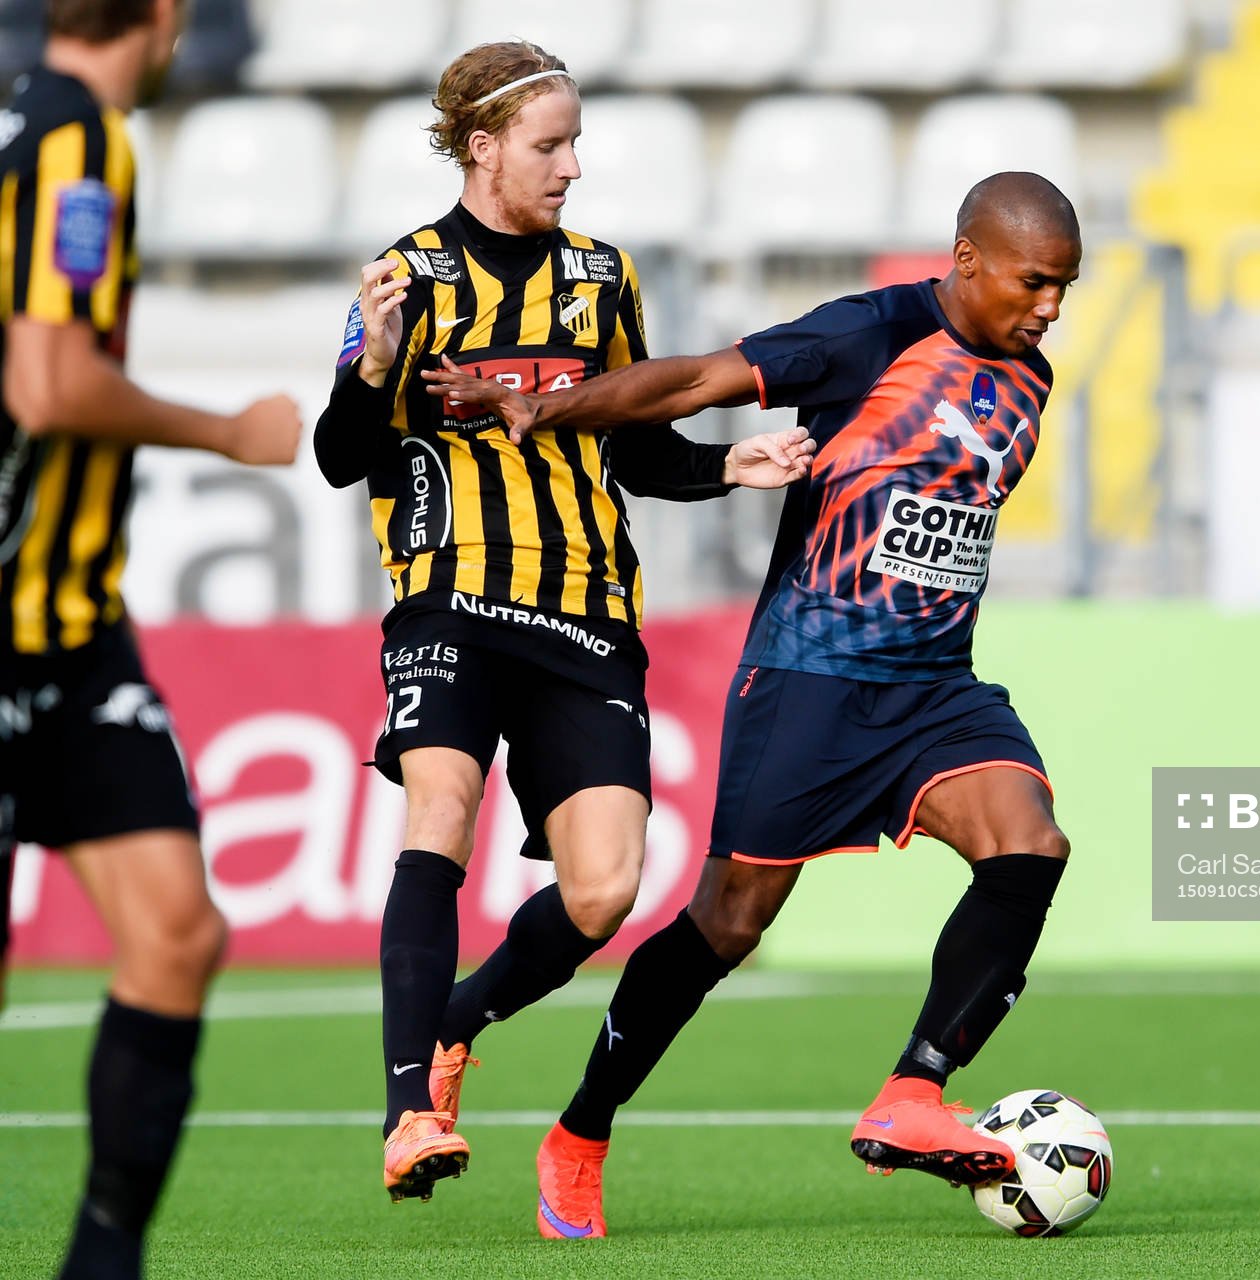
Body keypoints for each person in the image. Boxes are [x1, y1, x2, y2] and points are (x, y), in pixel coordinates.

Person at [424, 170, 1080, 1239]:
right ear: (967, 260)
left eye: (1064, 286)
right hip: (811, 678)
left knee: (1031, 847)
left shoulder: (1031, 377)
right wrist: (546, 406)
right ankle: (579, 1131)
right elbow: (692, 380)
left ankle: (914, 1089)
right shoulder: (866, 334)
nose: (1049, 305)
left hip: (937, 688)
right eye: (1034, 281)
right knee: (726, 926)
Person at [311, 41, 813, 1204]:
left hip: (585, 611)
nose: (573, 166)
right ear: (482, 147)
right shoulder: (407, 277)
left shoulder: (601, 276)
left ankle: (456, 1022)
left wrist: (722, 469)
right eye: (552, 144)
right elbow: (344, 457)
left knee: (605, 888)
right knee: (440, 807)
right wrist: (372, 368)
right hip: (449, 595)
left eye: (576, 142)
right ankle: (404, 1116)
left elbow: (634, 444)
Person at [0, 1, 303, 1274]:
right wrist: (229, 432)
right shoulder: (77, 142)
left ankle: (98, 1264)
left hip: (70, 629)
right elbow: (52, 384)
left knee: (177, 929)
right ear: (168, 15)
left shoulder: (35, 123)